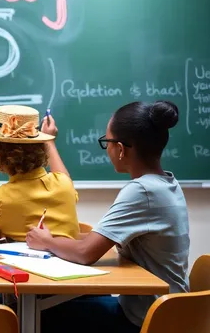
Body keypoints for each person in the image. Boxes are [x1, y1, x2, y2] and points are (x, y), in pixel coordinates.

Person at [26, 100, 190, 333]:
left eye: (107, 143)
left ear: (121, 149)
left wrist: (46, 242)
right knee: (67, 303)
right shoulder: (166, 183)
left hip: (148, 319)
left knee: (41, 314)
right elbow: (96, 240)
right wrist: (57, 240)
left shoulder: (142, 191)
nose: (108, 150)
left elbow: (85, 254)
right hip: (168, 312)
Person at [0, 105, 79, 241]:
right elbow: (63, 176)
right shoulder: (64, 186)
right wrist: (49, 140)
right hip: (70, 262)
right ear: (41, 147)